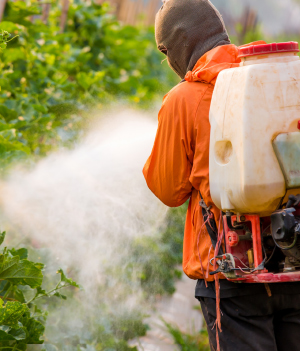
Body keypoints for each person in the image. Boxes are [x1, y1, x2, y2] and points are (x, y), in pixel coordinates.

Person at [143, 1, 300, 350]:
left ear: (180, 42)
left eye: (166, 50)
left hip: (232, 273)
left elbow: (168, 190)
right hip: (294, 257)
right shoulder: (279, 78)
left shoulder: (183, 99)